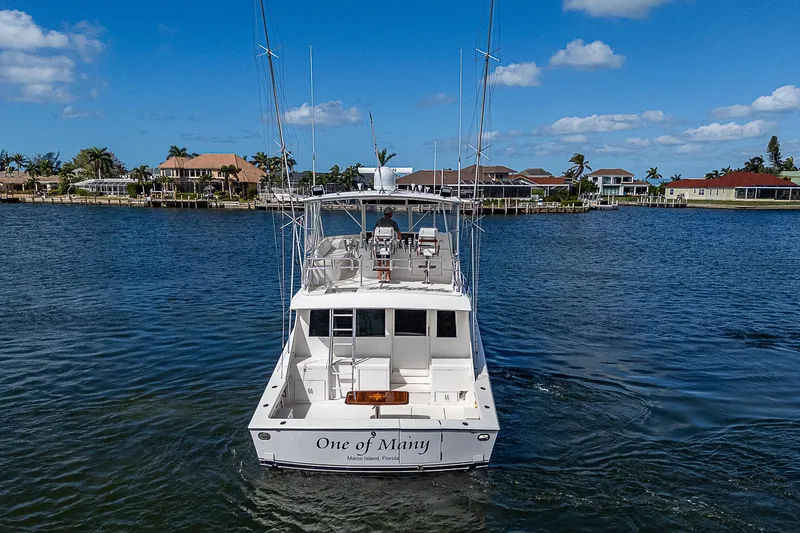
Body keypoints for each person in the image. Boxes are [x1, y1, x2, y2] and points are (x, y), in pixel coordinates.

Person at [374, 206, 401, 281]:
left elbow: (374, 232)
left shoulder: (378, 221)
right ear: (390, 214)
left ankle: (379, 277)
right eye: (391, 213)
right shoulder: (393, 223)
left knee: (379, 260)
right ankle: (388, 277)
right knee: (388, 260)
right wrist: (400, 242)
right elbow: (399, 233)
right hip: (389, 246)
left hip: (378, 246)